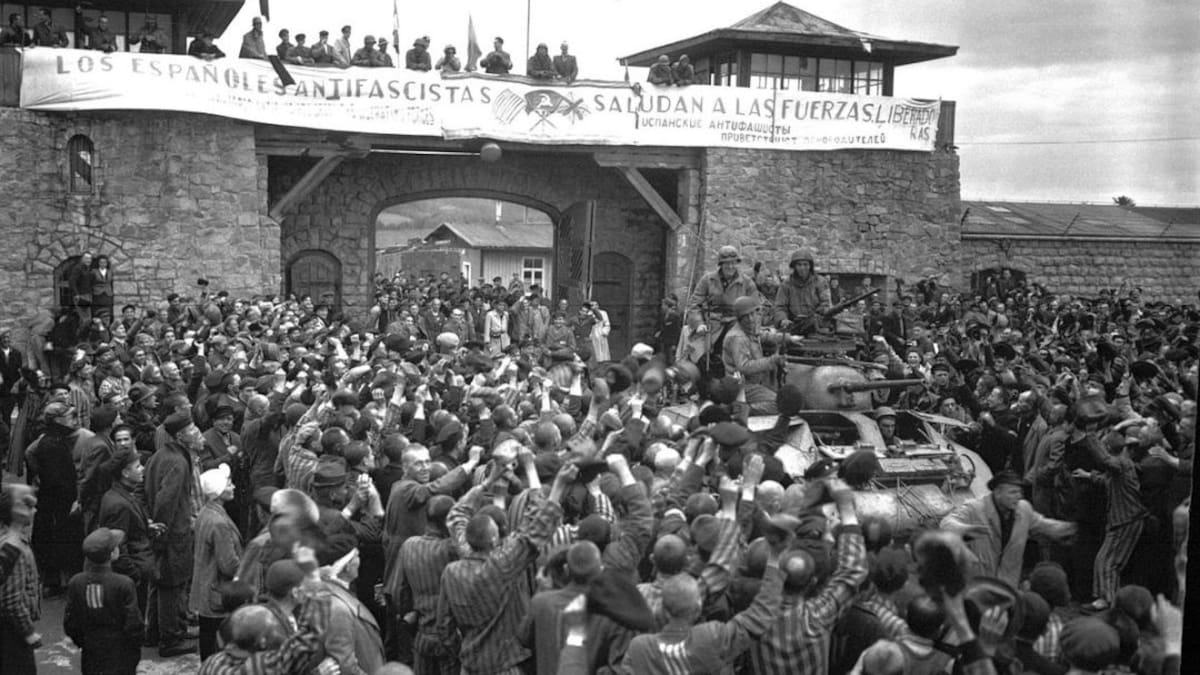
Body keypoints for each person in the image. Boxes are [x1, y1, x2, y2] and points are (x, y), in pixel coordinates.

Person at [436, 462, 574, 674]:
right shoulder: (501, 566)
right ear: (494, 539)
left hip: (469, 663)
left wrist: (488, 482)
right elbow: (535, 532)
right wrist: (558, 486)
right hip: (506, 665)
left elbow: (456, 516)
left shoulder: (452, 570)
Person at [940, 470, 1076, 587]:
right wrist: (965, 529)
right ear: (998, 493)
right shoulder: (974, 508)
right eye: (1013, 492)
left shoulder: (1023, 509)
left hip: (1008, 585)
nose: (1018, 496)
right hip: (979, 584)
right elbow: (947, 523)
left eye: (1019, 492)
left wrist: (1069, 528)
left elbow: (1042, 524)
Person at [143, 411, 199, 657]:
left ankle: (155, 632)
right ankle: (171, 639)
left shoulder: (160, 455)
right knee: (171, 586)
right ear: (180, 436)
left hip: (164, 531)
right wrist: (162, 534)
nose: (197, 433)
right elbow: (166, 501)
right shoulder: (177, 462)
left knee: (160, 584)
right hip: (173, 534)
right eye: (193, 430)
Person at [63, 527, 143, 675]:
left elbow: (70, 622)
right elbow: (134, 624)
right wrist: (133, 647)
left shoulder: (76, 582)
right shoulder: (124, 583)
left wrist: (83, 642)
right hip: (121, 652)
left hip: (91, 651)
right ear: (113, 554)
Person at [192, 464, 243, 660]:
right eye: (229, 484)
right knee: (218, 649)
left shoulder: (206, 512)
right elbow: (228, 565)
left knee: (207, 643)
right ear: (219, 491)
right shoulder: (219, 522)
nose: (234, 487)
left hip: (205, 589)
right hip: (217, 592)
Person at [0, 484, 40, 675]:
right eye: (29, 505)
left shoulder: (9, 540)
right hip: (12, 633)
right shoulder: (14, 548)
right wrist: (28, 632)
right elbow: (11, 600)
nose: (34, 510)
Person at [723, 296, 786, 414]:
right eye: (746, 316)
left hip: (755, 382)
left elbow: (761, 335)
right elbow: (744, 366)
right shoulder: (737, 337)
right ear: (739, 319)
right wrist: (772, 361)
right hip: (742, 385)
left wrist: (786, 338)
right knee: (779, 404)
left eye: (753, 314)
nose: (751, 319)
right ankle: (744, 411)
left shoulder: (747, 330)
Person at [773, 248, 833, 335]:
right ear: (794, 266)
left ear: (810, 266)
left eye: (805, 265)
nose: (802, 268)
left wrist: (815, 316)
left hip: (816, 326)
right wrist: (783, 320)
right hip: (794, 325)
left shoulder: (820, 282)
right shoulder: (786, 284)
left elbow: (826, 304)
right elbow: (780, 306)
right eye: (799, 265)